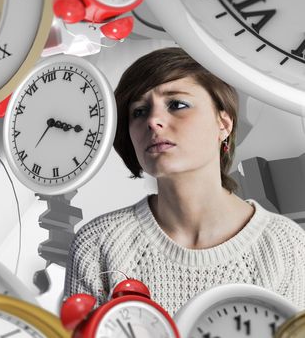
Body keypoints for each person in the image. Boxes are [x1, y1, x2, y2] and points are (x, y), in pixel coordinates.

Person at [64, 47, 305, 316]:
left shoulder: (286, 246)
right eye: (139, 111)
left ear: (223, 123)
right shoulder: (97, 244)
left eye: (177, 104)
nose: (153, 121)